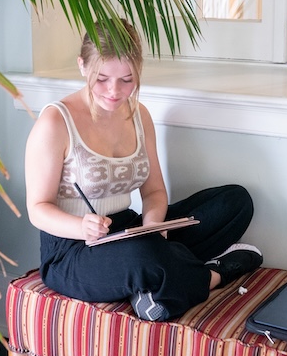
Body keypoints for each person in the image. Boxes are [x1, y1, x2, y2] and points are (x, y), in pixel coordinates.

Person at [24, 20, 262, 321]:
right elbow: (37, 209)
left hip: (129, 230)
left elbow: (154, 191)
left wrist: (153, 227)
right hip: (73, 249)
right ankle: (213, 275)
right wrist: (80, 227)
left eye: (127, 79)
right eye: (102, 79)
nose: (114, 91)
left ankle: (156, 273)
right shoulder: (55, 123)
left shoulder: (139, 115)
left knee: (235, 202)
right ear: (83, 66)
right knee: (141, 257)